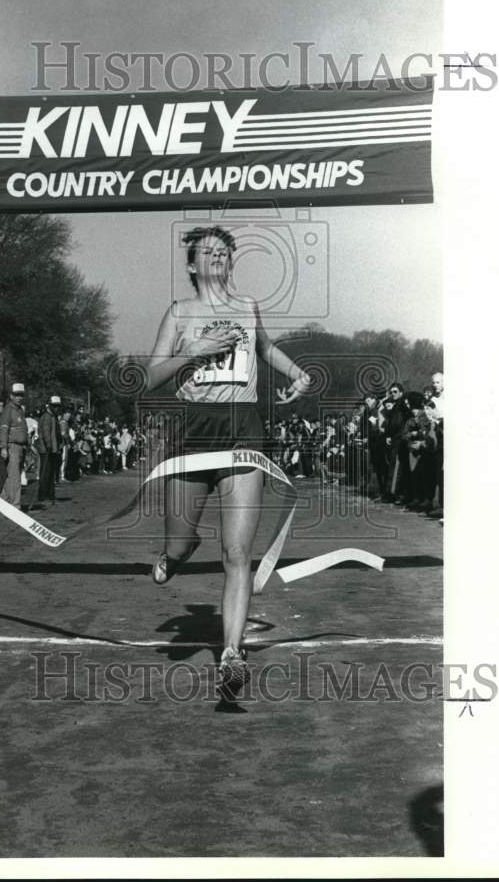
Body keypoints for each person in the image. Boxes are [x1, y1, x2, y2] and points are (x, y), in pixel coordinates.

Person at [144, 226, 310, 699]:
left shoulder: (248, 306)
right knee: (178, 545)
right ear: (193, 266)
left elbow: (265, 349)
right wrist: (189, 353)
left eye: (224, 251)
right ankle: (175, 553)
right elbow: (151, 376)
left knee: (237, 554)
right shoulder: (179, 313)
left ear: (230, 263)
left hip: (242, 433)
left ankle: (232, 655)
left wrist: (296, 372)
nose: (217, 257)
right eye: (207, 252)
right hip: (193, 433)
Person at [0, 382, 30, 510]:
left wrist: (27, 444)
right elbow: (3, 430)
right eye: (16, 395)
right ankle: (15, 505)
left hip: (20, 447)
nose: (19, 397)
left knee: (11, 475)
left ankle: (4, 501)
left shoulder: (20, 410)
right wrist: (4, 447)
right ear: (11, 396)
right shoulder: (8, 410)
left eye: (21, 395)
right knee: (14, 477)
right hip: (12, 446)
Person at [35, 396, 63, 506]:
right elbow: (46, 433)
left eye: (58, 406)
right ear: (50, 406)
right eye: (54, 406)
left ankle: (50, 495)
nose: (56, 408)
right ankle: (43, 496)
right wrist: (49, 445)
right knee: (45, 473)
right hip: (46, 449)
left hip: (52, 449)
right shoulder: (47, 417)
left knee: (51, 473)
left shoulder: (53, 417)